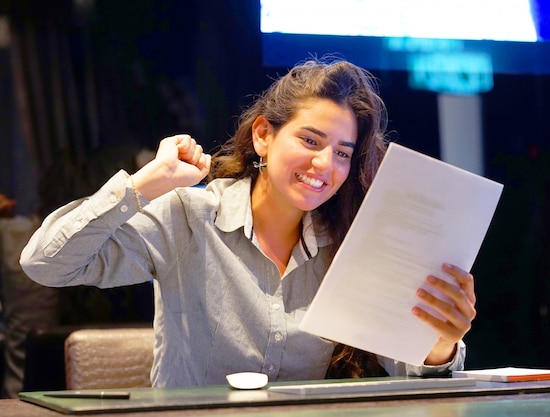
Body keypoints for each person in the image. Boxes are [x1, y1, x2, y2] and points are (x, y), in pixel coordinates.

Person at [19, 57, 476, 387]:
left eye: (342, 152)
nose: (325, 165)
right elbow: (46, 263)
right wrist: (146, 184)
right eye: (310, 140)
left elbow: (414, 375)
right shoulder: (188, 215)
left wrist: (439, 343)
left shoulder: (349, 241)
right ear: (263, 135)